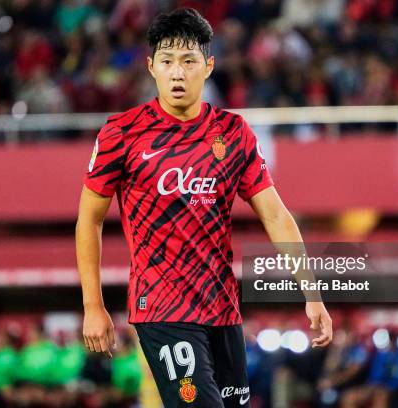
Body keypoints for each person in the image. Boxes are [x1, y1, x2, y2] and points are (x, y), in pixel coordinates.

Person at [76, 8, 333, 407]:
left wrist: (311, 292)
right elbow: (88, 220)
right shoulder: (121, 133)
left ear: (208, 66)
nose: (177, 73)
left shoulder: (233, 133)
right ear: (151, 67)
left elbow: (276, 215)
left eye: (188, 61)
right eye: (167, 62)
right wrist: (93, 306)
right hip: (161, 305)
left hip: (222, 308)